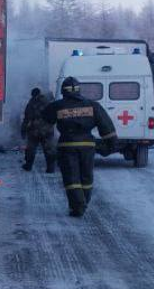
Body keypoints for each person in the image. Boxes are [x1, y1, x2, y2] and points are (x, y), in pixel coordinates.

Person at [43, 76, 118, 218]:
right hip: (87, 146)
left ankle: (78, 206)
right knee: (86, 177)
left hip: (67, 145)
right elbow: (106, 125)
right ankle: (83, 202)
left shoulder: (58, 106)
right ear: (79, 90)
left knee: (71, 178)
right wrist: (111, 145)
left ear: (63, 91)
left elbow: (46, 117)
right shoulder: (92, 105)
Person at [20, 87, 56, 173]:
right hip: (47, 130)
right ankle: (50, 168)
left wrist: (23, 130)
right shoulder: (48, 102)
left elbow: (26, 118)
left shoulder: (31, 103)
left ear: (33, 94)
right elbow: (54, 115)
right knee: (49, 150)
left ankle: (28, 166)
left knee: (31, 149)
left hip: (34, 131)